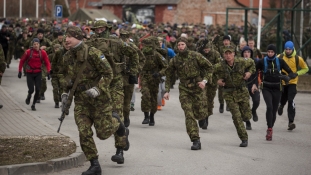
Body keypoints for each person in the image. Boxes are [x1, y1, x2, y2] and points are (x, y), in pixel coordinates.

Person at [62, 26, 129, 175]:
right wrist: (64, 94)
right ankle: (94, 164)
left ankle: (118, 125)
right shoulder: (67, 57)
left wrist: (98, 89)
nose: (66, 40)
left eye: (70, 37)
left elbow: (108, 73)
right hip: (81, 101)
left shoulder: (93, 53)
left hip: (99, 100)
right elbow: (67, 79)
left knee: (103, 134)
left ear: (78, 38)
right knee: (83, 131)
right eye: (66, 37)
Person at [164, 37, 213, 150]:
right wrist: (167, 90)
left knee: (200, 113)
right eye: (179, 44)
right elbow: (168, 75)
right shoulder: (175, 60)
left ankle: (202, 118)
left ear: (186, 45)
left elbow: (209, 67)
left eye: (182, 44)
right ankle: (195, 139)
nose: (180, 46)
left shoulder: (195, 55)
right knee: (189, 114)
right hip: (184, 89)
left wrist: (204, 81)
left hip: (197, 87)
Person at [213, 46, 255, 147]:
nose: (228, 55)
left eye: (230, 53)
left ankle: (247, 119)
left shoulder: (242, 61)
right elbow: (209, 73)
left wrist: (249, 72)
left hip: (242, 91)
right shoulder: (220, 66)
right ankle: (244, 138)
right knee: (236, 116)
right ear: (223, 55)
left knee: (246, 115)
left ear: (234, 54)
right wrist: (217, 80)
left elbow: (252, 64)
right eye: (226, 54)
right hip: (229, 93)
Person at [256, 44, 295, 141]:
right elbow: (253, 71)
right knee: (269, 107)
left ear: (275, 53)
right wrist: (254, 83)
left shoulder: (280, 61)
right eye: (268, 52)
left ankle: (271, 127)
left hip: (277, 88)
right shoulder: (262, 61)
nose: (270, 53)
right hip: (266, 88)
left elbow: (292, 73)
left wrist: (288, 77)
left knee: (273, 110)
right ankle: (269, 129)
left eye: (272, 52)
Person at [277, 41, 309, 130]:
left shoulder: (297, 58)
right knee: (283, 98)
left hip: (292, 83)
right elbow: (274, 66)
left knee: (291, 101)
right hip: (282, 83)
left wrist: (297, 73)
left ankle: (291, 122)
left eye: (289, 49)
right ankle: (281, 105)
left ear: (293, 49)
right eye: (286, 49)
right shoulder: (280, 57)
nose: (287, 51)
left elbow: (306, 69)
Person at [140, 37, 168, 126]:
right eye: (145, 45)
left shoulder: (157, 55)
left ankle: (152, 116)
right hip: (144, 77)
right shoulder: (141, 54)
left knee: (153, 97)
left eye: (148, 45)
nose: (146, 47)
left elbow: (166, 66)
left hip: (154, 78)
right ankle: (146, 116)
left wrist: (159, 73)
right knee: (145, 94)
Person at [18, 38, 51, 111]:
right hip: (29, 73)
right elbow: (22, 61)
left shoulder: (43, 53)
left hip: (38, 73)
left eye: (37, 44)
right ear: (32, 45)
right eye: (34, 44)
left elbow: (47, 62)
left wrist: (49, 71)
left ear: (39, 45)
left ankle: (33, 104)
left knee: (38, 90)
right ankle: (29, 95)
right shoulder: (28, 52)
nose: (36, 45)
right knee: (31, 89)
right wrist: (20, 71)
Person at [198, 42, 221, 129]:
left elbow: (220, 65)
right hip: (201, 80)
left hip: (212, 81)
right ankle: (201, 117)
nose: (206, 50)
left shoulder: (216, 54)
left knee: (209, 100)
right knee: (201, 99)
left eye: (208, 49)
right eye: (205, 49)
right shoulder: (199, 53)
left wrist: (210, 68)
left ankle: (206, 117)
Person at [241, 46, 260, 123]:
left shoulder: (255, 62)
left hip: (253, 84)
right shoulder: (239, 62)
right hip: (242, 86)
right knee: (245, 105)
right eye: (245, 52)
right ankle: (248, 122)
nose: (246, 54)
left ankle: (254, 111)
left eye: (248, 52)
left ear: (251, 53)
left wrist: (255, 84)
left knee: (256, 100)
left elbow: (256, 74)